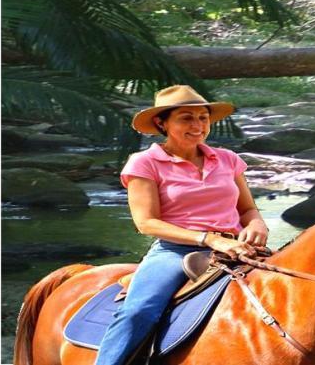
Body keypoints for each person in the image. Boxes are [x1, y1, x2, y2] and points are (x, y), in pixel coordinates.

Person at [95, 85, 269, 365]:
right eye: (186, 118)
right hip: (175, 251)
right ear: (162, 123)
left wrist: (258, 223)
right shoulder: (145, 163)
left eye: (203, 118)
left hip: (238, 247)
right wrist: (210, 239)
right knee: (139, 312)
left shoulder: (227, 159)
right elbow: (146, 223)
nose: (198, 125)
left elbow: (247, 209)